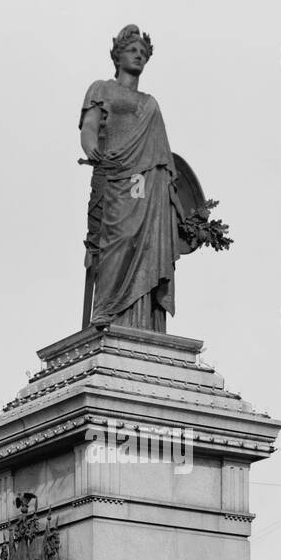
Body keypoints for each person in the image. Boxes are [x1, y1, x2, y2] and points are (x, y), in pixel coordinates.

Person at [79, 25, 182, 331]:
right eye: (132, 50)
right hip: (114, 175)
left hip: (143, 182)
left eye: (143, 53)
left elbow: (162, 155)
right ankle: (107, 309)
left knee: (144, 239)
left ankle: (141, 321)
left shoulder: (150, 103)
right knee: (118, 238)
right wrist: (92, 149)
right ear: (118, 55)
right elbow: (89, 126)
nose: (138, 56)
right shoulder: (102, 88)